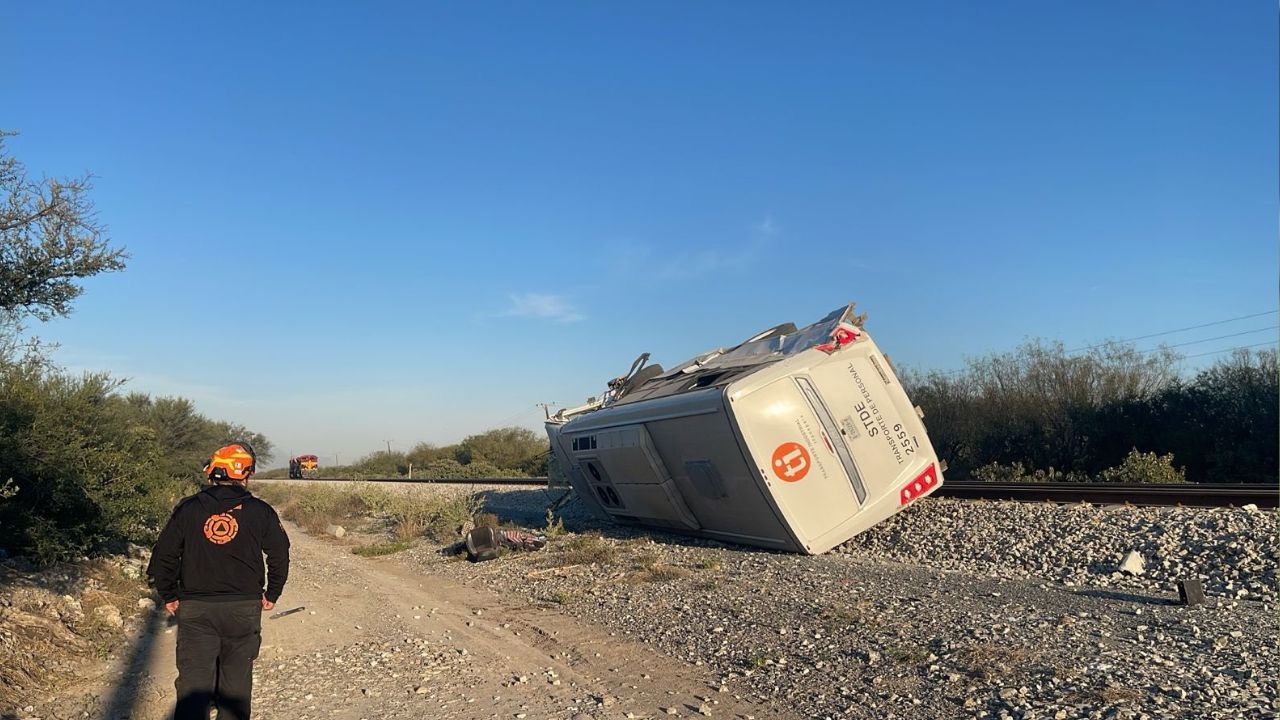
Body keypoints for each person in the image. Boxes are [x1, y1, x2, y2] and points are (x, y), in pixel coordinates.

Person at [147, 441, 290, 720]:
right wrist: (272, 594)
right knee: (235, 687)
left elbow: (163, 555)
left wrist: (169, 594)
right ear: (244, 474)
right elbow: (279, 554)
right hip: (243, 609)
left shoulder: (187, 509)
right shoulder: (261, 511)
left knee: (194, 687)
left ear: (213, 471)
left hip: (196, 609)